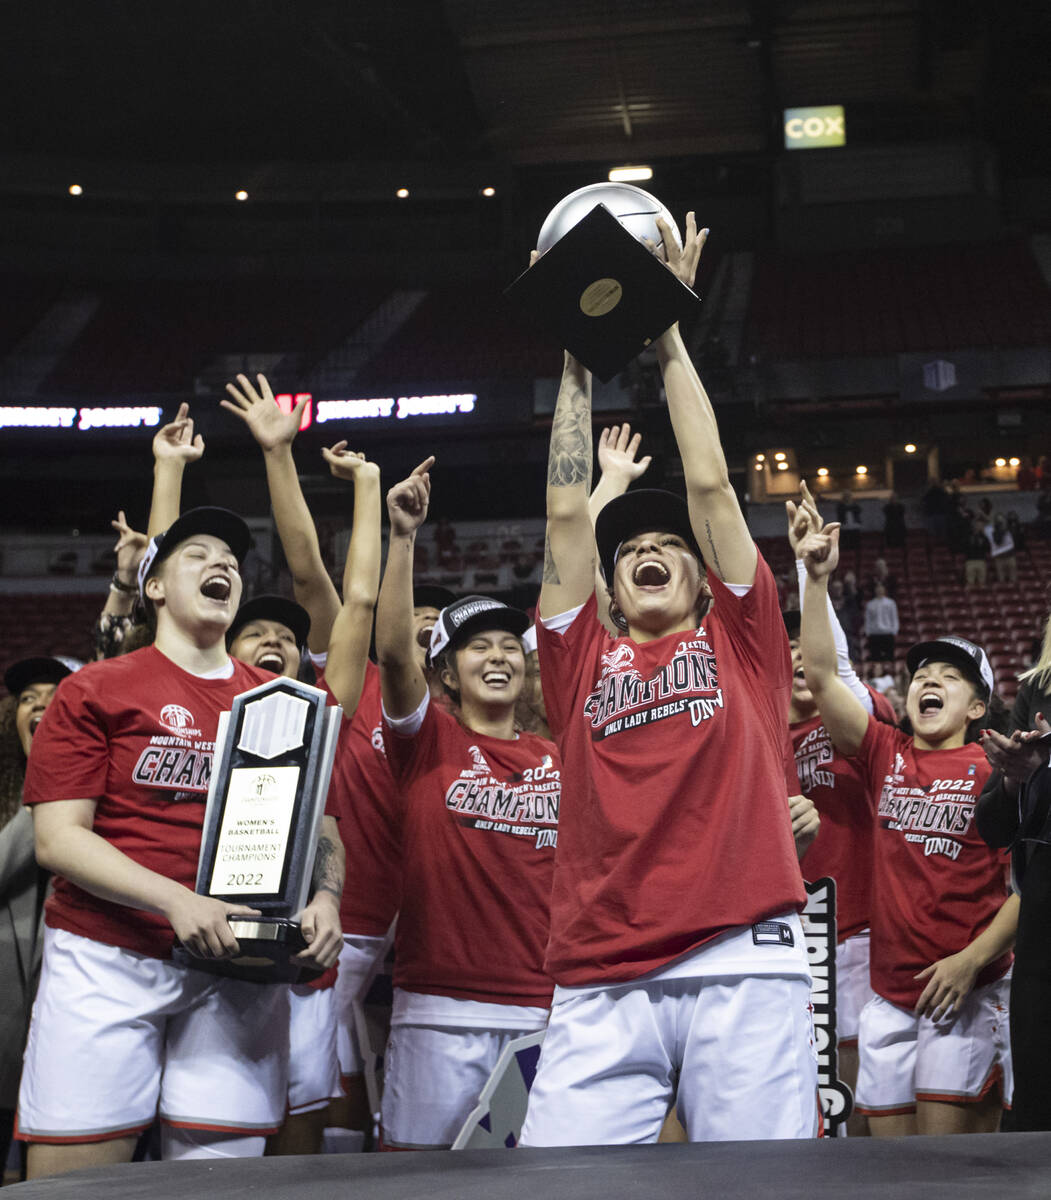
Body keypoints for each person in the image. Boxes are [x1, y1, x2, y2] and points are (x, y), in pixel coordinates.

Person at [520, 214, 817, 1147]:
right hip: (600, 967)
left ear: (704, 578)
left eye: (667, 546)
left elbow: (712, 489)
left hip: (744, 953)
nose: (648, 548)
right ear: (608, 587)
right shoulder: (576, 659)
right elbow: (568, 511)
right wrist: (573, 348)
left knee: (757, 1188)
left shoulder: (747, 640)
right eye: (631, 550)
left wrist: (666, 327)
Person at [16, 507, 344, 1178]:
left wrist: (325, 899)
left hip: (238, 970)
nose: (222, 562)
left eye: (231, 557)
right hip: (107, 958)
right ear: (154, 587)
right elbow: (58, 840)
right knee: (75, 1184)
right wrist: (178, 901)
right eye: (197, 553)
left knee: (221, 1183)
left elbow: (321, 827)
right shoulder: (93, 688)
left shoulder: (283, 700)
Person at [796, 488, 1016, 1137]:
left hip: (966, 991)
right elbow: (819, 674)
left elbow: (1031, 888)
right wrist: (814, 578)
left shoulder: (996, 769)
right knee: (892, 1172)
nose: (928, 682)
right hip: (888, 997)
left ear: (976, 707)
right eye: (921, 674)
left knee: (950, 1174)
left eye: (949, 677)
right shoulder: (880, 751)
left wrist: (971, 960)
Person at [374, 459, 561, 1150]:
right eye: (477, 645)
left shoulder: (559, 759)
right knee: (421, 1181)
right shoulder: (428, 742)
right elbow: (394, 657)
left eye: (510, 644)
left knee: (532, 1180)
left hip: (544, 1006)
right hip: (438, 1010)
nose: (498, 655)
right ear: (446, 671)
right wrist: (402, 537)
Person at [221, 374, 383, 1155]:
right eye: (256, 634)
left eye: (287, 635)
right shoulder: (201, 705)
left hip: (301, 941)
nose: (276, 641)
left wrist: (361, 486)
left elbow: (347, 598)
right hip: (204, 936)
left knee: (298, 1128)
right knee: (213, 1129)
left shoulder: (320, 711)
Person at [784, 509, 898, 1137]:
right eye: (790, 652)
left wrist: (811, 576)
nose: (801, 660)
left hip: (853, 928)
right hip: (782, 930)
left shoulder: (857, 725)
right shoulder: (758, 732)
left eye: (808, 649)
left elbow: (839, 671)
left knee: (846, 1085)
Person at [0, 656, 78, 1180]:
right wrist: (44, 798)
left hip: (65, 1010)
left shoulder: (89, 800)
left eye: (55, 697)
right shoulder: (24, 799)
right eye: (29, 698)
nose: (42, 706)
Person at [976, 613, 1051, 1130]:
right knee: (1039, 1089)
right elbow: (995, 826)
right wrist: (1012, 778)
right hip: (1044, 922)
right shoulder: (1037, 689)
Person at [863, 583, 899, 670]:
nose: (879, 590)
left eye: (881, 588)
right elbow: (868, 619)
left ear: (884, 590)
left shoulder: (891, 603)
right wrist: (868, 632)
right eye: (877, 588)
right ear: (875, 590)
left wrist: (894, 631)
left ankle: (890, 675)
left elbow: (894, 617)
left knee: (889, 658)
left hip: (887, 633)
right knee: (876, 658)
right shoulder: (870, 604)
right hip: (874, 634)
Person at [985, 514, 1017, 585]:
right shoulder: (992, 531)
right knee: (1001, 579)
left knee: (1013, 579)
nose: (1001, 522)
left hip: (1010, 556)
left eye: (1002, 520)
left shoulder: (1009, 529)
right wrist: (1002, 530)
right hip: (999, 558)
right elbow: (998, 541)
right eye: (998, 521)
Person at [963, 517, 989, 589]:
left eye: (981, 525)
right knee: (970, 583)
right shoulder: (968, 535)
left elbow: (988, 548)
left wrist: (984, 535)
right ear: (973, 525)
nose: (979, 526)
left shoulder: (984, 537)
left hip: (981, 560)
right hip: (970, 561)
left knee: (982, 584)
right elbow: (964, 546)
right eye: (977, 525)